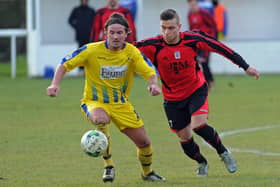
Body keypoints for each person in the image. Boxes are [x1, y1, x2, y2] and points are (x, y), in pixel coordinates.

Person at [135, 9, 260, 177]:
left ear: (179, 27)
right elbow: (126, 49)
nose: (167, 32)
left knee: (198, 125)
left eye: (171, 28)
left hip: (195, 90)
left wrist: (246, 67)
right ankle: (202, 162)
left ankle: (223, 153)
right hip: (172, 99)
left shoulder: (192, 40)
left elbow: (221, 48)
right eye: (163, 28)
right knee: (185, 139)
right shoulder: (153, 45)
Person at [47, 13, 165, 183]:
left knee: (144, 143)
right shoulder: (91, 50)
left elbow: (149, 71)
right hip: (94, 102)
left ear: (127, 33)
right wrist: (55, 84)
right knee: (101, 119)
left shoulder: (132, 52)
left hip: (121, 104)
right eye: (112, 32)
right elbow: (65, 63)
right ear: (105, 33)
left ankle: (147, 173)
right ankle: (108, 166)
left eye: (119, 33)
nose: (115, 36)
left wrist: (153, 84)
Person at [187, 0, 217, 89]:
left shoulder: (204, 13)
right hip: (196, 42)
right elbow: (191, 28)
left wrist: (213, 40)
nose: (192, 7)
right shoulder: (189, 15)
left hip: (206, 41)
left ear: (197, 4)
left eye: (194, 5)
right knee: (197, 61)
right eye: (190, 5)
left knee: (204, 62)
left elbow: (213, 26)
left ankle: (208, 82)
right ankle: (209, 80)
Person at [68, 0, 95, 73]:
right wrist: (77, 27)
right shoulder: (76, 10)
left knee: (89, 52)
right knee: (80, 52)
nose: (85, 2)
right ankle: (80, 69)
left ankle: (88, 68)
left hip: (89, 35)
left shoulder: (91, 10)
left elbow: (95, 22)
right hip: (80, 35)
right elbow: (70, 20)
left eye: (86, 0)